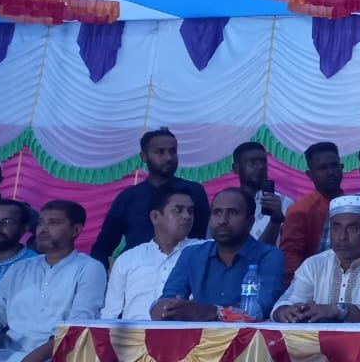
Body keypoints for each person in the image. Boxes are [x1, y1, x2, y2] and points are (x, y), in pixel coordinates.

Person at [0, 201, 105, 362]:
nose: (43, 229)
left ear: (75, 230)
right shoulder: (20, 268)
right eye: (41, 223)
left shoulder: (89, 267)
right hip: (10, 352)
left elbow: (79, 322)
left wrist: (34, 358)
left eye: (53, 223)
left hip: (59, 354)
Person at [153, 189, 284, 321]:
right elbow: (169, 297)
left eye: (233, 213)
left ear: (250, 221)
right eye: (217, 212)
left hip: (249, 334)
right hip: (197, 334)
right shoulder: (192, 255)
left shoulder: (269, 257)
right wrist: (162, 308)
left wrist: (211, 312)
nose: (222, 221)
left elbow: (260, 308)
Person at [90, 128, 209, 266]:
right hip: (136, 272)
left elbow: (201, 240)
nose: (168, 158)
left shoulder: (194, 192)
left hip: (183, 269)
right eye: (160, 152)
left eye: (173, 151)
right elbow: (102, 247)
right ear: (144, 156)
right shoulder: (128, 198)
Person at [272, 196, 360, 323]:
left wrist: (339, 310)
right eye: (336, 228)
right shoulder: (313, 264)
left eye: (352, 228)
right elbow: (288, 301)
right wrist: (286, 311)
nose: (342, 237)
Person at [101, 187, 203, 320]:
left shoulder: (204, 251)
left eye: (190, 211)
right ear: (155, 217)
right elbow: (110, 314)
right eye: (178, 210)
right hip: (134, 333)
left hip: (189, 332)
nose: (187, 216)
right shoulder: (127, 259)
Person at [280, 142, 345, 283]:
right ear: (310, 175)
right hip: (313, 283)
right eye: (322, 168)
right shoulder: (300, 210)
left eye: (334, 166)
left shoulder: (352, 205)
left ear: (341, 168)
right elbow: (290, 257)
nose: (330, 172)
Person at [231, 142, 294, 246]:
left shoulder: (285, 203)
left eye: (263, 162)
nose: (261, 167)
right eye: (253, 162)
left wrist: (276, 219)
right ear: (236, 168)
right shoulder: (227, 203)